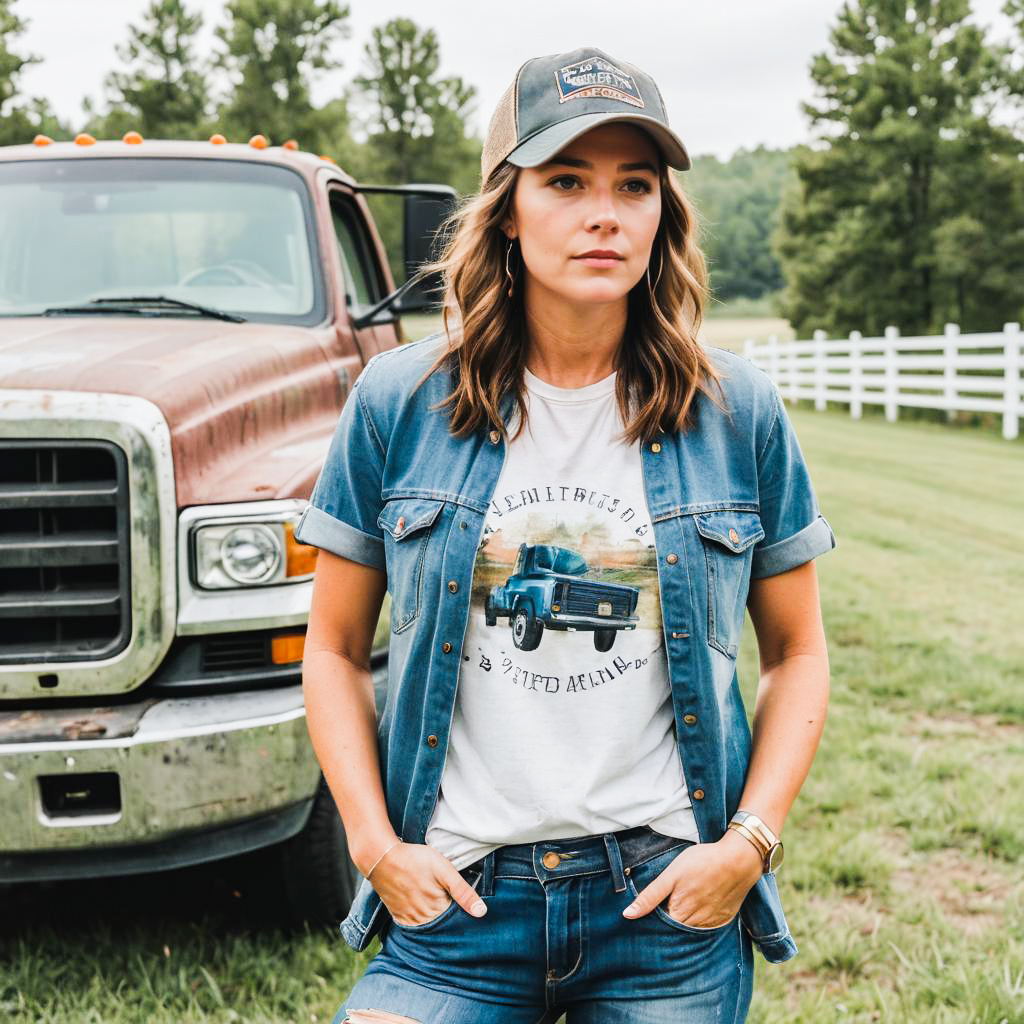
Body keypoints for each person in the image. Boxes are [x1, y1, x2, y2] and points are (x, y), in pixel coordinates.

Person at [296, 45, 837, 1024]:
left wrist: (747, 842)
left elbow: (796, 652)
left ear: (662, 211)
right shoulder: (400, 403)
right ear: (506, 205)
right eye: (565, 180)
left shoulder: (737, 410)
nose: (605, 212)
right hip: (457, 905)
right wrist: (375, 845)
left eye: (635, 184)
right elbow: (332, 649)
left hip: (664, 907)